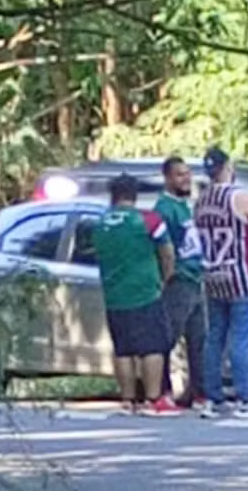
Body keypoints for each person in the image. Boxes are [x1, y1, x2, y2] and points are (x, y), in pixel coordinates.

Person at [194, 146, 248, 419]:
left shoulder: (202, 199)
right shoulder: (239, 196)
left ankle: (213, 396)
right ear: (228, 167)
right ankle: (245, 397)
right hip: (242, 274)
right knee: (240, 338)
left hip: (213, 274)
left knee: (215, 336)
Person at [92, 173, 181, 416]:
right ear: (135, 194)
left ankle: (127, 400)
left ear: (113, 195)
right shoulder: (150, 220)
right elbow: (168, 253)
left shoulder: (100, 223)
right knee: (152, 347)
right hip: (145, 292)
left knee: (123, 349)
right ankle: (153, 400)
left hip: (114, 295)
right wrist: (166, 278)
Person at [155, 156, 207, 410]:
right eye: (179, 175)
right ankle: (161, 390)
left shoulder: (186, 206)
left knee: (199, 338)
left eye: (188, 174)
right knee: (169, 336)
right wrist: (169, 275)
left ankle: (198, 392)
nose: (186, 179)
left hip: (196, 277)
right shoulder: (164, 208)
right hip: (179, 280)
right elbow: (164, 247)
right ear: (167, 178)